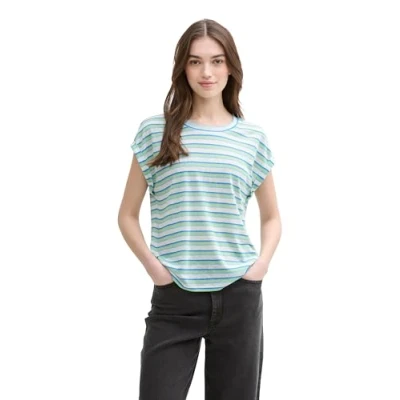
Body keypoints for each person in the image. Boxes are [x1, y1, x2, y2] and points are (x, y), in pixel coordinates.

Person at [118, 18, 282, 400]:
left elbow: (272, 216)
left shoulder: (251, 138)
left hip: (239, 294)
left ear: (231, 67)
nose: (206, 72)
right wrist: (155, 269)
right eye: (195, 61)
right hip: (174, 296)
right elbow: (127, 214)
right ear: (183, 68)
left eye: (216, 61)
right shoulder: (155, 132)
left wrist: (260, 265)